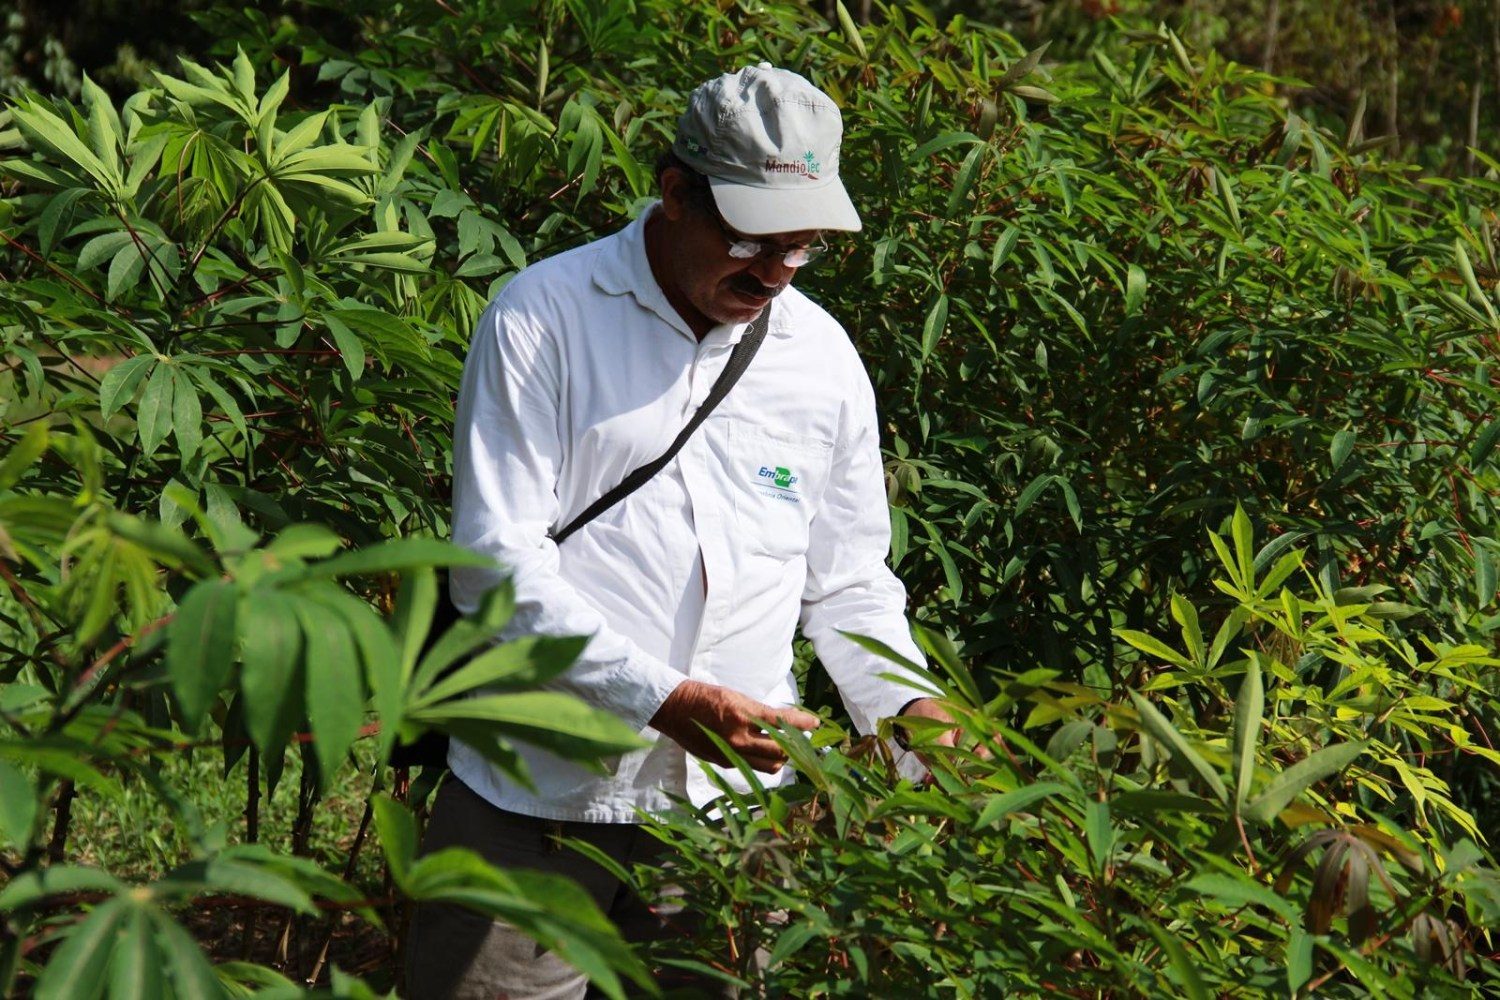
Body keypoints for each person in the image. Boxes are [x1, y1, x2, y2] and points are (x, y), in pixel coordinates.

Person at [406, 63, 954, 999]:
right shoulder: (544, 318)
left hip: (728, 830)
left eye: (803, 248)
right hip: (532, 802)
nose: (775, 273)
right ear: (673, 194)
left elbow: (849, 580)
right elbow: (493, 567)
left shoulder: (821, 359)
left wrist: (906, 708)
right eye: (750, 240)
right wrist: (665, 699)